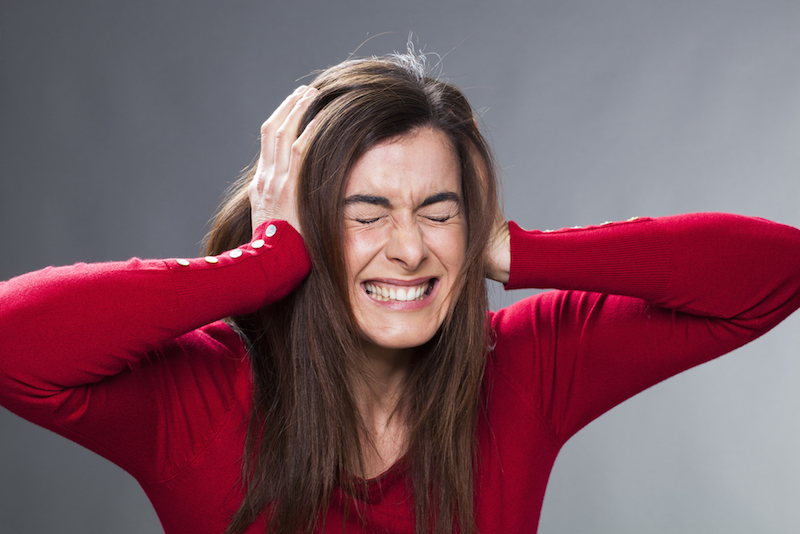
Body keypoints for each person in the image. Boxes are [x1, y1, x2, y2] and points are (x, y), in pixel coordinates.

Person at [1, 52, 799, 534]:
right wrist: (260, 264)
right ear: (308, 225)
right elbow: (13, 339)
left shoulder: (525, 371)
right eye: (366, 211)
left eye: (437, 211)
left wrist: (513, 247)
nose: (410, 247)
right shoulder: (201, 402)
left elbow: (774, 273)